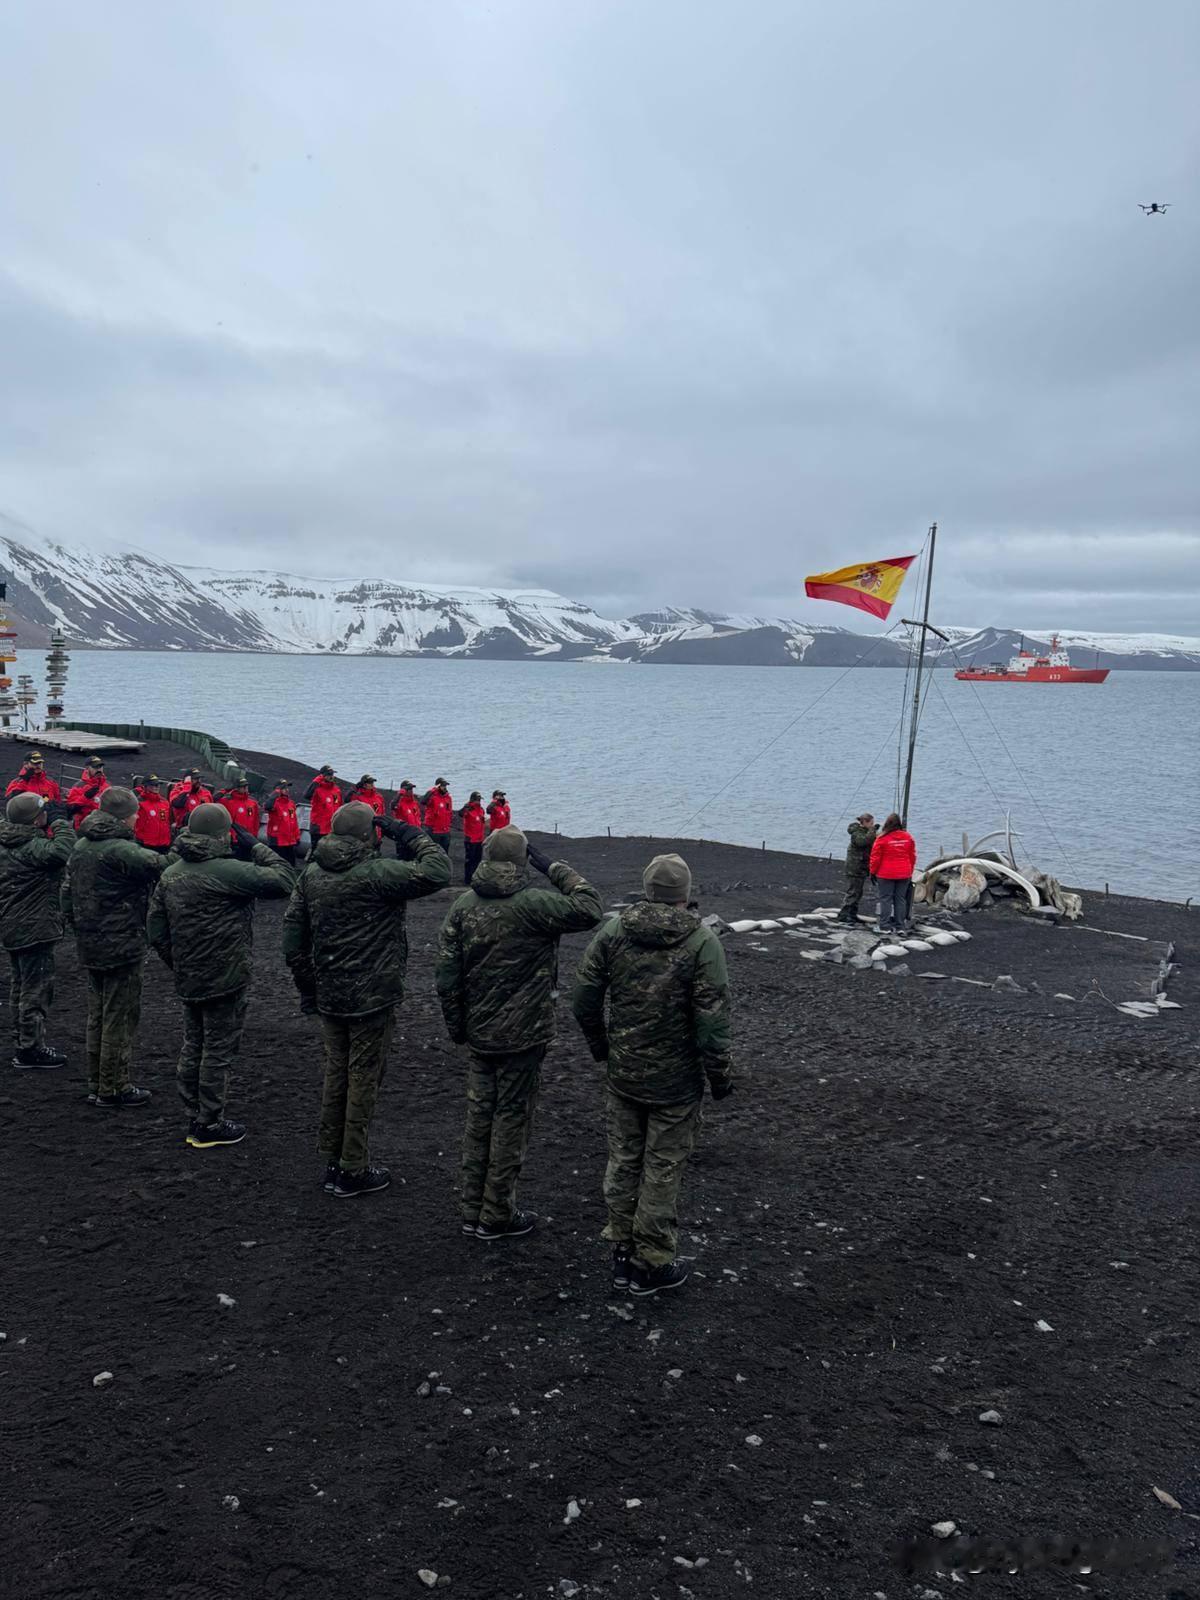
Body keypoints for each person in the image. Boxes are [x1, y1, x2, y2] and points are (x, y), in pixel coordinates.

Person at [571, 853, 734, 1298]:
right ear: (685, 894)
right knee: (662, 1167)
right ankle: (652, 1260)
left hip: (625, 1072)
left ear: (647, 890)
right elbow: (712, 1022)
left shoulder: (614, 931)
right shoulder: (702, 942)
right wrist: (720, 1077)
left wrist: (602, 1048)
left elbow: (583, 996)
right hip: (676, 1082)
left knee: (624, 1159)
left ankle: (622, 1251)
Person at [435, 825, 602, 1241]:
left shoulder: (463, 906)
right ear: (521, 861)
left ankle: (472, 1208)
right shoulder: (536, 905)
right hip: (525, 1035)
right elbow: (589, 906)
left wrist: (457, 1026)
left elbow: (446, 976)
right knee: (510, 1120)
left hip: (479, 1031)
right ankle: (496, 1213)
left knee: (479, 1118)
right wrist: (555, 868)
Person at [283, 804, 450, 1198]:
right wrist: (408, 833)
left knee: (336, 1073)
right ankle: (353, 1168)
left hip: (330, 993)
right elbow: (439, 871)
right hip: (372, 996)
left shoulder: (312, 874)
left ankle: (333, 1158)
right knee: (362, 1079)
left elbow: (292, 940)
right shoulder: (377, 874)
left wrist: (309, 989)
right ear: (367, 836)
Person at [147, 803, 295, 1149]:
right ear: (223, 833)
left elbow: (155, 929)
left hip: (189, 974)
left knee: (194, 1042)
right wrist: (256, 846)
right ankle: (209, 1122)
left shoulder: (171, 874)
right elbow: (285, 880)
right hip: (225, 974)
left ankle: (194, 1111)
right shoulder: (229, 871)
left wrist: (180, 961)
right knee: (217, 1048)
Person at [61, 787, 165, 1108]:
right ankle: (114, 1087)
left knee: (98, 1014)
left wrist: (79, 927)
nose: (138, 817)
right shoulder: (121, 849)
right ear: (123, 815)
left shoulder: (81, 845)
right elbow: (164, 864)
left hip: (91, 942)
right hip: (122, 945)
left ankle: (96, 1082)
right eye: (135, 813)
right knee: (119, 1017)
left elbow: (66, 895)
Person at [0, 792, 75, 1068]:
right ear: (35, 819)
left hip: (12, 924)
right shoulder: (31, 848)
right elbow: (63, 851)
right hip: (35, 926)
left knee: (20, 986)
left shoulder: (7, 842)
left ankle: (22, 1038)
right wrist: (60, 823)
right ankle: (30, 1049)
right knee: (36, 989)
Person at [869, 813, 918, 932]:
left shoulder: (882, 838)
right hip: (904, 873)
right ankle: (900, 926)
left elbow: (875, 858)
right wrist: (910, 870)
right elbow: (912, 856)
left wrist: (872, 872)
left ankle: (885, 926)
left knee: (886, 899)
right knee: (900, 899)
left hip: (886, 873)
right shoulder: (908, 837)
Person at [837, 813, 878, 924]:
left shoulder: (866, 833)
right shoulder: (856, 833)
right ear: (864, 822)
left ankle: (852, 914)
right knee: (853, 892)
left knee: (858, 892)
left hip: (861, 866)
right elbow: (862, 842)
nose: (872, 825)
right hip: (854, 867)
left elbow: (872, 842)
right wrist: (872, 831)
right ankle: (844, 914)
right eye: (871, 823)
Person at [215, 773, 261, 856]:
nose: (246, 788)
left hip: (249, 841)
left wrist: (254, 837)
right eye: (243, 786)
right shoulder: (227, 802)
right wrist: (226, 790)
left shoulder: (253, 803)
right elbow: (213, 799)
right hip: (234, 841)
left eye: (246, 786)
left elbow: (256, 822)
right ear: (236, 788)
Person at [305, 765, 343, 850]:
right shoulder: (317, 789)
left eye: (332, 774)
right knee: (316, 851)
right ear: (322, 776)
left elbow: (340, 807)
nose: (331, 776)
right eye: (329, 774)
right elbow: (307, 795)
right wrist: (316, 781)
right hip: (319, 828)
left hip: (332, 828)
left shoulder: (336, 790)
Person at [133, 775, 173, 854]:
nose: (157, 787)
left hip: (164, 844)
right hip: (145, 845)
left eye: (158, 784)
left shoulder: (164, 802)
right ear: (145, 786)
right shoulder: (139, 802)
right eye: (153, 785)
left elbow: (168, 821)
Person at [66, 759, 109, 831]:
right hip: (84, 828)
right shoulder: (79, 786)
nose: (99, 769)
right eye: (95, 767)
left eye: (101, 767)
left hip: (103, 827)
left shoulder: (107, 785)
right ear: (87, 768)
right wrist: (86, 797)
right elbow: (71, 810)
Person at [265, 780, 302, 864]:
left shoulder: (291, 803)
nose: (287, 790)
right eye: (284, 788)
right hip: (277, 841)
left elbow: (294, 821)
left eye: (287, 788)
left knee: (291, 864)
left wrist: (297, 837)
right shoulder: (274, 803)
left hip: (289, 841)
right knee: (277, 865)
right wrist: (275, 794)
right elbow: (267, 806)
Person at [460, 791, 486, 884]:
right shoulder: (469, 809)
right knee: (469, 860)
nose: (478, 801)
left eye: (479, 800)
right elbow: (461, 814)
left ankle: (475, 878)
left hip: (479, 839)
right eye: (476, 799)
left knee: (478, 860)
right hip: (470, 839)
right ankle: (468, 879)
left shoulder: (481, 810)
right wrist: (466, 807)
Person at [424, 777, 453, 854]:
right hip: (434, 831)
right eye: (443, 786)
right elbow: (423, 801)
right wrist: (433, 789)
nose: (445, 788)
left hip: (445, 830)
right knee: (433, 852)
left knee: (444, 853)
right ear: (438, 786)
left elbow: (449, 812)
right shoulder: (432, 797)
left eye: (445, 786)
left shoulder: (448, 798)